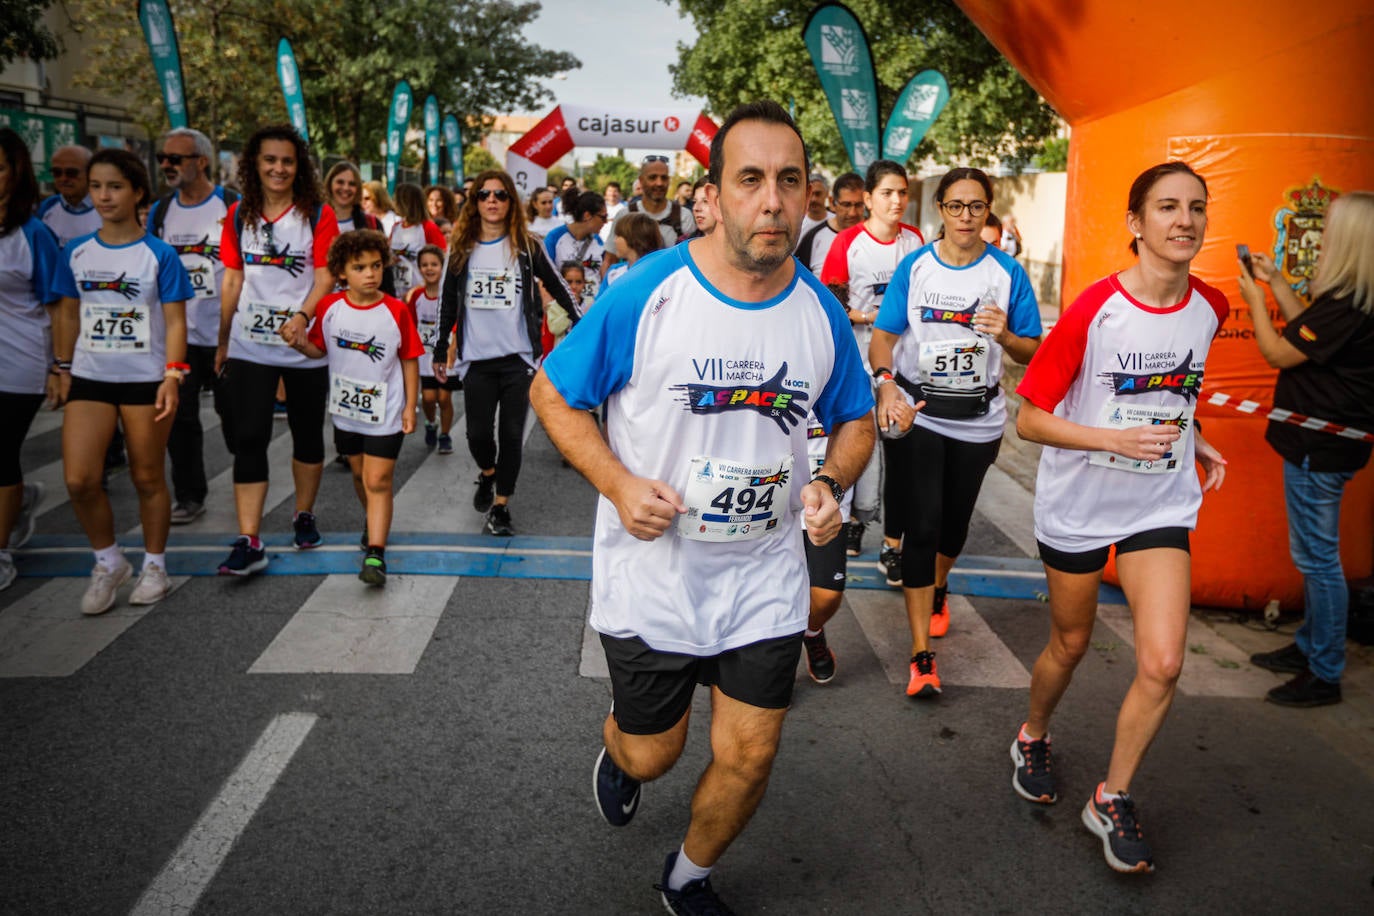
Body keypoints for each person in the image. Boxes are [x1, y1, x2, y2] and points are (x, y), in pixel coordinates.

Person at [531, 100, 875, 914]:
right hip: (654, 573)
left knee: (751, 752)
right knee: (656, 755)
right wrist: (617, 485)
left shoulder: (820, 310)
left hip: (762, 574)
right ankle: (622, 750)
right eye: (750, 179)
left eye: (790, 181)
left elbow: (856, 418)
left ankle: (688, 876)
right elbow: (553, 392)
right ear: (711, 197)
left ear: (807, 195)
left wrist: (827, 481)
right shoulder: (647, 292)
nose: (773, 200)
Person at [1011, 161, 1229, 874]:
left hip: (1157, 503)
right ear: (1135, 224)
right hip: (1080, 501)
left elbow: (1174, 393)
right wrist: (1111, 439)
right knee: (1070, 645)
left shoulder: (1212, 307)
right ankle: (1033, 734)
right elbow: (1031, 421)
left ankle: (1112, 796)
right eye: (1167, 207)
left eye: (1196, 207)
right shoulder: (1094, 311)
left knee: (1163, 662)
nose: (1184, 220)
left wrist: (1195, 439)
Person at [869, 167, 1043, 697]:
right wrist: (885, 384)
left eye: (975, 206)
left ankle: (940, 584)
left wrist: (1006, 334)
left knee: (952, 528)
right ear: (939, 209)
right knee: (922, 526)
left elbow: (1033, 350)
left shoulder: (1007, 272)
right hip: (921, 412)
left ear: (988, 209)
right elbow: (883, 336)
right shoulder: (918, 267)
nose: (965, 216)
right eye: (955, 205)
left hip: (979, 420)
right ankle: (922, 655)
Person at [1240, 191, 1374, 707]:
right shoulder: (1350, 304)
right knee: (1316, 557)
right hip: (1320, 445)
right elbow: (1305, 337)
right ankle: (1310, 646)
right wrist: (1276, 283)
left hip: (1322, 448)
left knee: (1318, 560)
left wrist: (1253, 300)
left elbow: (1279, 350)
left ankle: (1325, 672)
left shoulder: (1348, 308)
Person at [51, 148, 193, 614]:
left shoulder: (159, 254)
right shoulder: (75, 252)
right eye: (96, 186)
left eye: (113, 187)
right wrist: (62, 367)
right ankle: (108, 561)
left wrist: (173, 376)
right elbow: (68, 311)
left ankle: (155, 566)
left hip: (146, 379)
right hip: (91, 377)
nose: (103, 196)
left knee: (147, 475)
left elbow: (175, 322)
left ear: (136, 192)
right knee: (80, 479)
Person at [215, 124, 339, 575]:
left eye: (287, 161)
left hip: (304, 345)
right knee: (249, 437)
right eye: (270, 160)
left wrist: (303, 317)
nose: (278, 168)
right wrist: (224, 339)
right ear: (254, 164)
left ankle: (303, 513)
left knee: (307, 435)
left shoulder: (317, 214)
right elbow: (233, 278)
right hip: (251, 345)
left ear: (298, 166)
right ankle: (250, 538)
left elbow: (325, 277)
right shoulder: (237, 214)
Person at [431, 169, 578, 537]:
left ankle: (501, 507)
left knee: (511, 436)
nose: (492, 200)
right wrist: (438, 347)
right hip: (477, 359)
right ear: (474, 202)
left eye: (500, 194)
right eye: (483, 194)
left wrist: (581, 323)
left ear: (512, 201)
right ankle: (488, 473)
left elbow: (558, 285)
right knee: (478, 436)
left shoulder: (527, 246)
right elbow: (447, 303)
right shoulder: (462, 249)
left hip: (518, 359)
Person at [294, 229, 422, 586]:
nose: (370, 273)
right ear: (341, 272)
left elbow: (410, 359)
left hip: (387, 411)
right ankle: (373, 521)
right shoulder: (329, 308)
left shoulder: (396, 311)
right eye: (360, 267)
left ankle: (375, 554)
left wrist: (410, 406)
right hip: (347, 412)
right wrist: (300, 346)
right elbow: (319, 350)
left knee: (378, 480)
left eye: (376, 265)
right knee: (358, 475)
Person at [821, 160, 924, 563]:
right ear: (867, 199)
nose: (896, 200)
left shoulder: (916, 241)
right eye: (887, 193)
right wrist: (875, 318)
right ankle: (856, 521)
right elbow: (834, 307)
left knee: (902, 461)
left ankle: (893, 543)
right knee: (862, 453)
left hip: (908, 369)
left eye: (902, 192)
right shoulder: (847, 243)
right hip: (862, 369)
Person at [146, 127, 238, 526]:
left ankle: (248, 480)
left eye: (175, 158)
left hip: (225, 335)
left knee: (236, 417)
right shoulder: (160, 211)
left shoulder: (232, 205)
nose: (166, 164)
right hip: (178, 335)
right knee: (180, 420)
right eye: (162, 158)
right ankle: (189, 494)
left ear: (201, 161)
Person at [0, 129, 61, 590]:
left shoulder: (33, 232)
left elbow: (57, 305)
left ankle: (1, 553)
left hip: (20, 361)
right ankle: (17, 503)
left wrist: (60, 366)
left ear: (16, 173)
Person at [408, 244, 457, 453]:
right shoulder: (416, 296)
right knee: (428, 398)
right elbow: (409, 324)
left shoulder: (450, 294)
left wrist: (453, 345)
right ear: (419, 268)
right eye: (425, 265)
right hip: (425, 357)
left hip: (446, 355)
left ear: (442, 267)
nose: (429, 269)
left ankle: (445, 435)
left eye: (434, 264)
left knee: (444, 398)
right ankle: (430, 422)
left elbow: (457, 321)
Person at [543, 191, 607, 306]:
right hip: (564, 309)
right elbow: (543, 276)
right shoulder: (555, 238)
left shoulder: (598, 241)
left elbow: (604, 276)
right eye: (603, 217)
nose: (606, 222)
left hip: (592, 308)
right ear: (587, 216)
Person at [795, 171, 864, 278]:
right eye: (846, 205)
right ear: (832, 203)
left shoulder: (875, 235)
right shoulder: (813, 238)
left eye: (859, 205)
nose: (852, 212)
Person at [621, 155, 695, 247]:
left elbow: (692, 257)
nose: (659, 183)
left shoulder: (684, 216)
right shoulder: (625, 215)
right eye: (652, 177)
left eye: (664, 178)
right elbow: (610, 259)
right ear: (641, 180)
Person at [388, 182, 447, 294]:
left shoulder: (428, 227)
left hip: (420, 291)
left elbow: (442, 258)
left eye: (397, 199)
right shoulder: (396, 227)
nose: (394, 203)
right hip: (397, 290)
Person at [39, 144, 100, 247]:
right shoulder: (45, 208)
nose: (63, 178)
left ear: (91, 173)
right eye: (57, 172)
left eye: (71, 172)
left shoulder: (107, 208)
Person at [600, 211, 663, 291]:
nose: (614, 240)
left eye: (618, 235)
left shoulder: (660, 274)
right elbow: (600, 302)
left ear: (633, 238)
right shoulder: (613, 272)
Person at [324, 162, 381, 234]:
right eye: (340, 182)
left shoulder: (372, 224)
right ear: (330, 184)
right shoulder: (314, 221)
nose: (345, 188)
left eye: (352, 184)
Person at [800, 172, 829, 236]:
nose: (813, 199)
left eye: (818, 194)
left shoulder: (838, 222)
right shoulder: (798, 226)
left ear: (827, 193)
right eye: (810, 194)